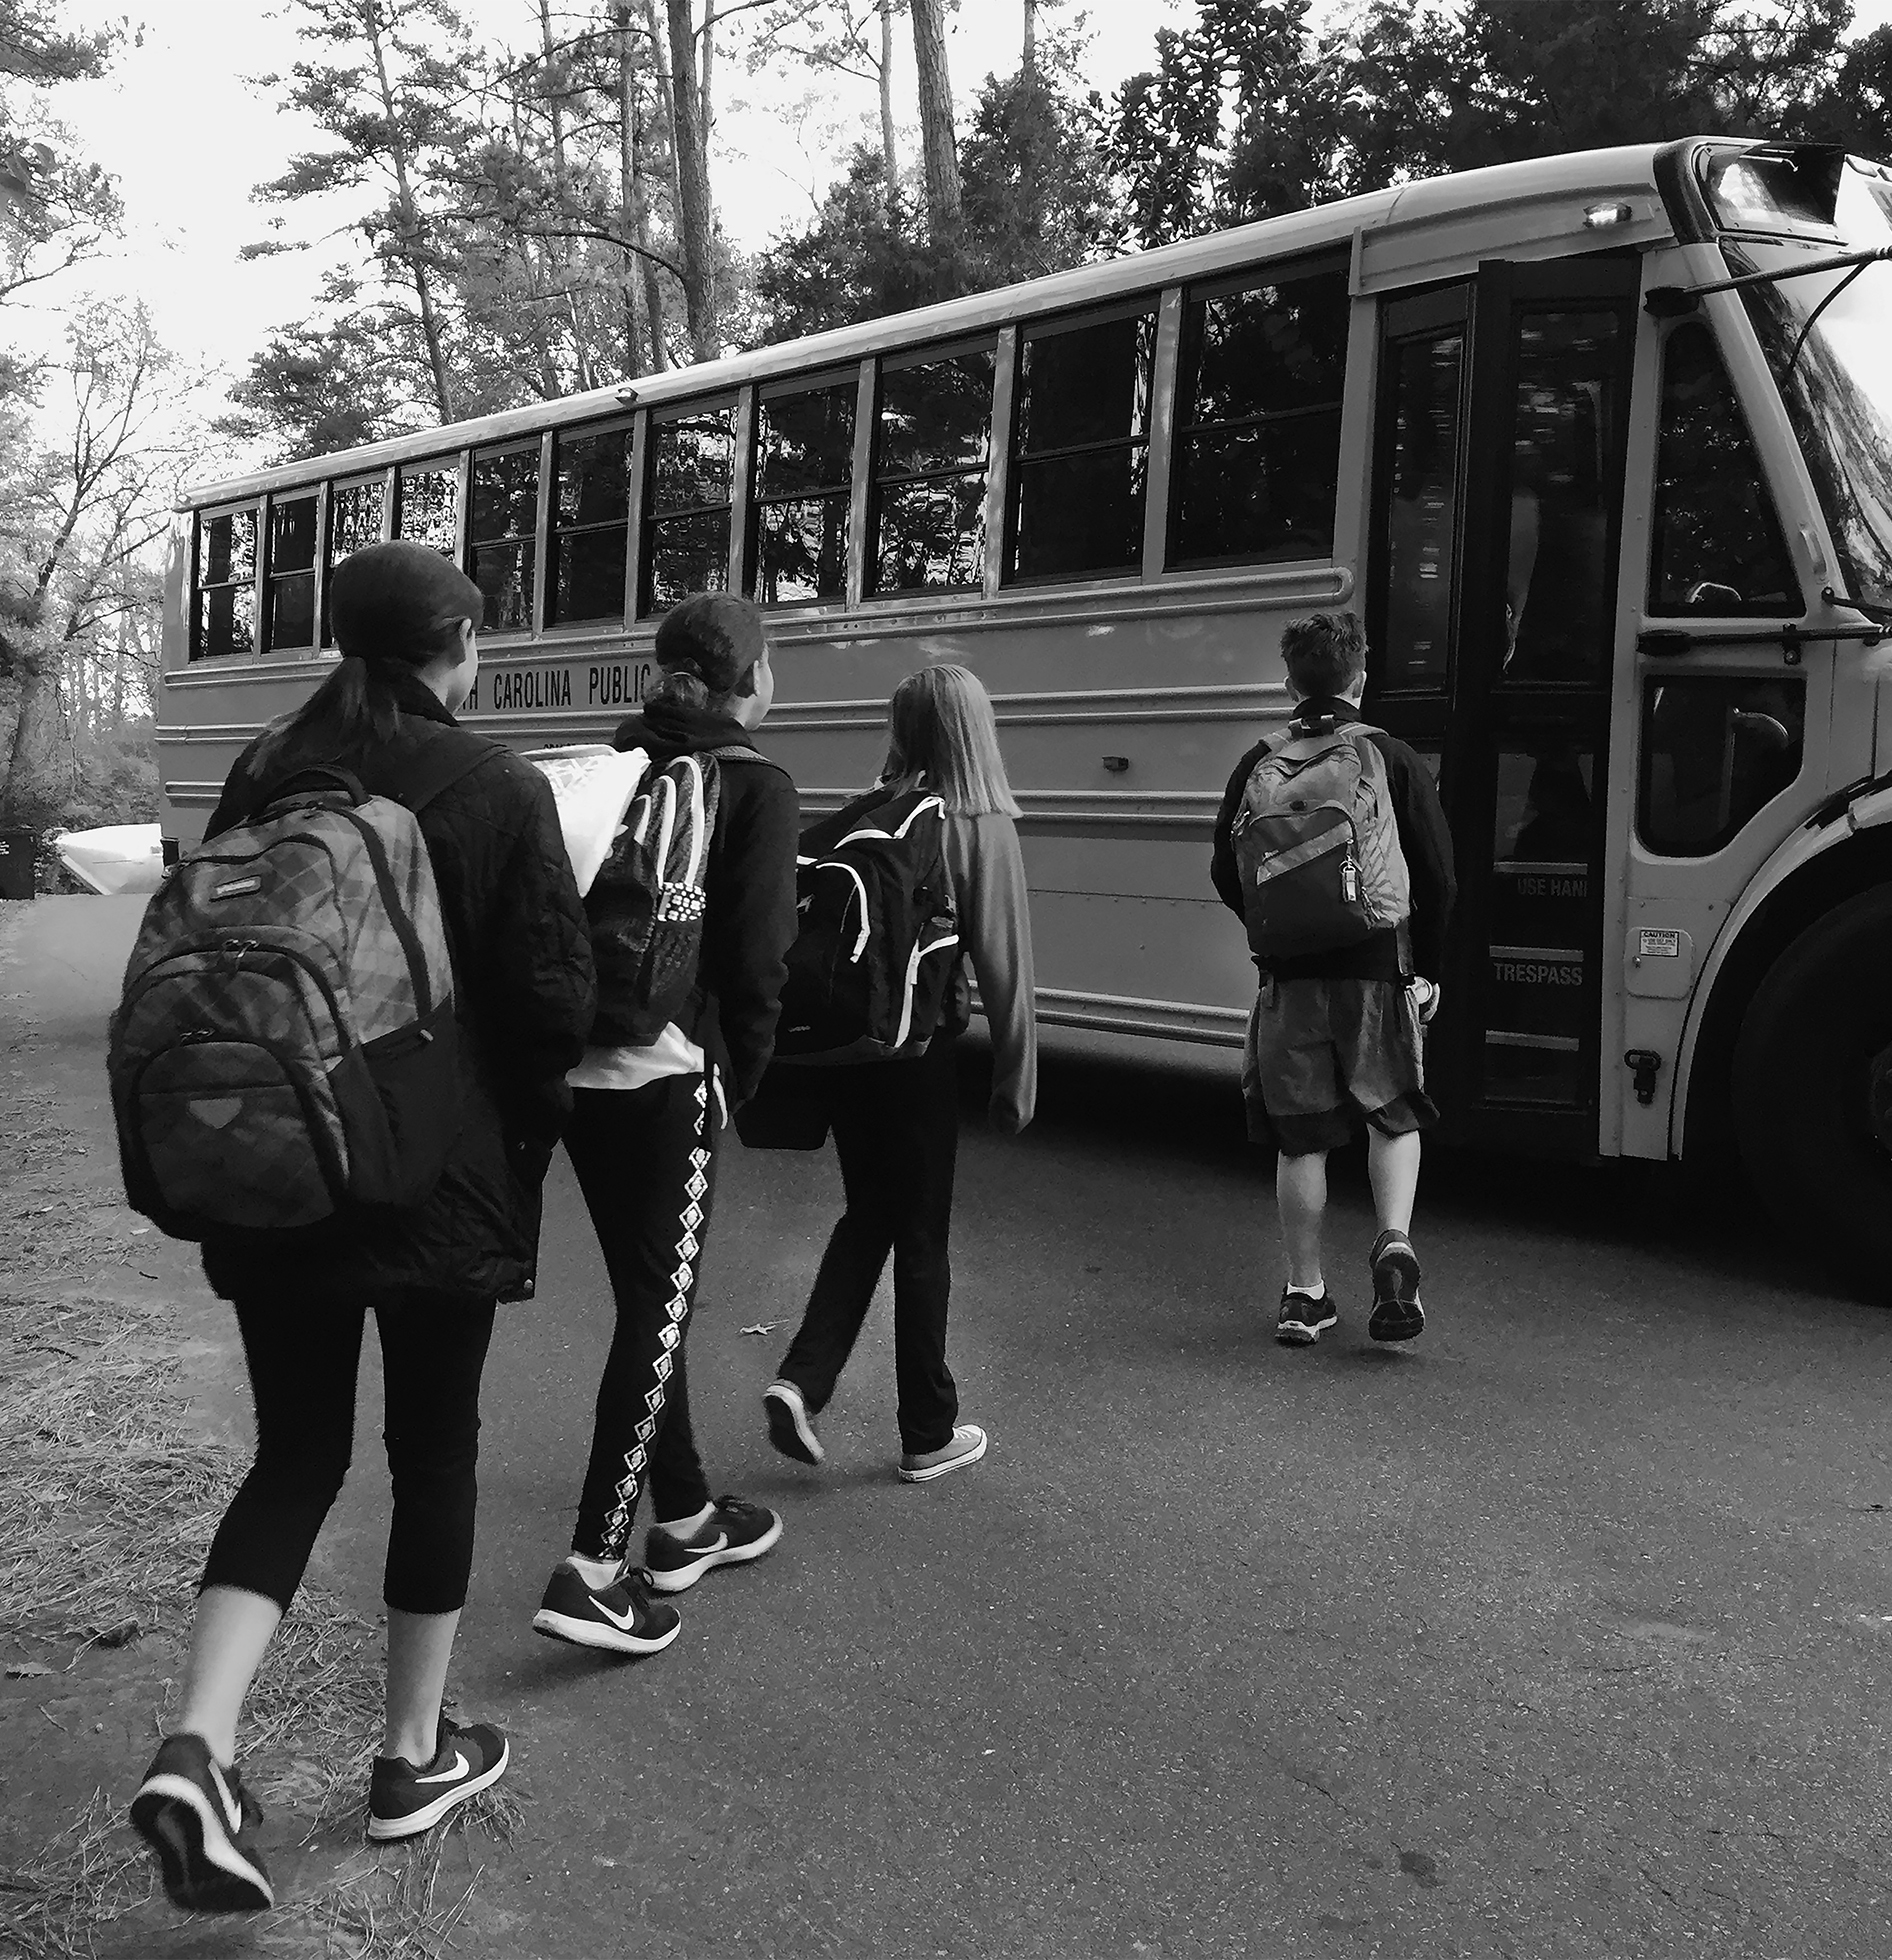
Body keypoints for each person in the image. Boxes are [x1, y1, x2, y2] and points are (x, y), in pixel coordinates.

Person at [129, 541, 595, 1911]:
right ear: (457, 644)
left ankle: (198, 1748)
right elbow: (555, 1004)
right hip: (434, 1185)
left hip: (273, 1167)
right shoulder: (497, 787)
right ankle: (410, 1756)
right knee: (431, 1450)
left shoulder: (267, 773)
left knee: (297, 1454)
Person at [532, 593, 800, 1658]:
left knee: (652, 1288)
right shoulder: (754, 782)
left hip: (579, 1073)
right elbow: (760, 956)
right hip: (667, 1073)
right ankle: (595, 1565)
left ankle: (683, 1517)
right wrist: (739, 1073)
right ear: (744, 682)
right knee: (659, 1304)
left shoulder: (610, 763)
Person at [764, 663, 1036, 1483]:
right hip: (920, 1060)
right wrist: (1016, 1078)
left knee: (869, 1213)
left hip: (852, 1053)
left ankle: (802, 1381)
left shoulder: (865, 813)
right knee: (920, 1234)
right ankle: (927, 1430)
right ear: (975, 731)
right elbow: (1006, 964)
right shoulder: (976, 822)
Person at [1209, 611, 1456, 1347]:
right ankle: (1393, 1240)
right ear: (1362, 677)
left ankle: (1303, 1294)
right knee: (1393, 1111)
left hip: (1288, 979)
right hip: (1378, 971)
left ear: (1290, 683)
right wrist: (1428, 970)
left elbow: (1228, 871)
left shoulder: (1258, 759)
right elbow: (1438, 878)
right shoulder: (1388, 756)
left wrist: (1279, 928)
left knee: (1302, 1137)